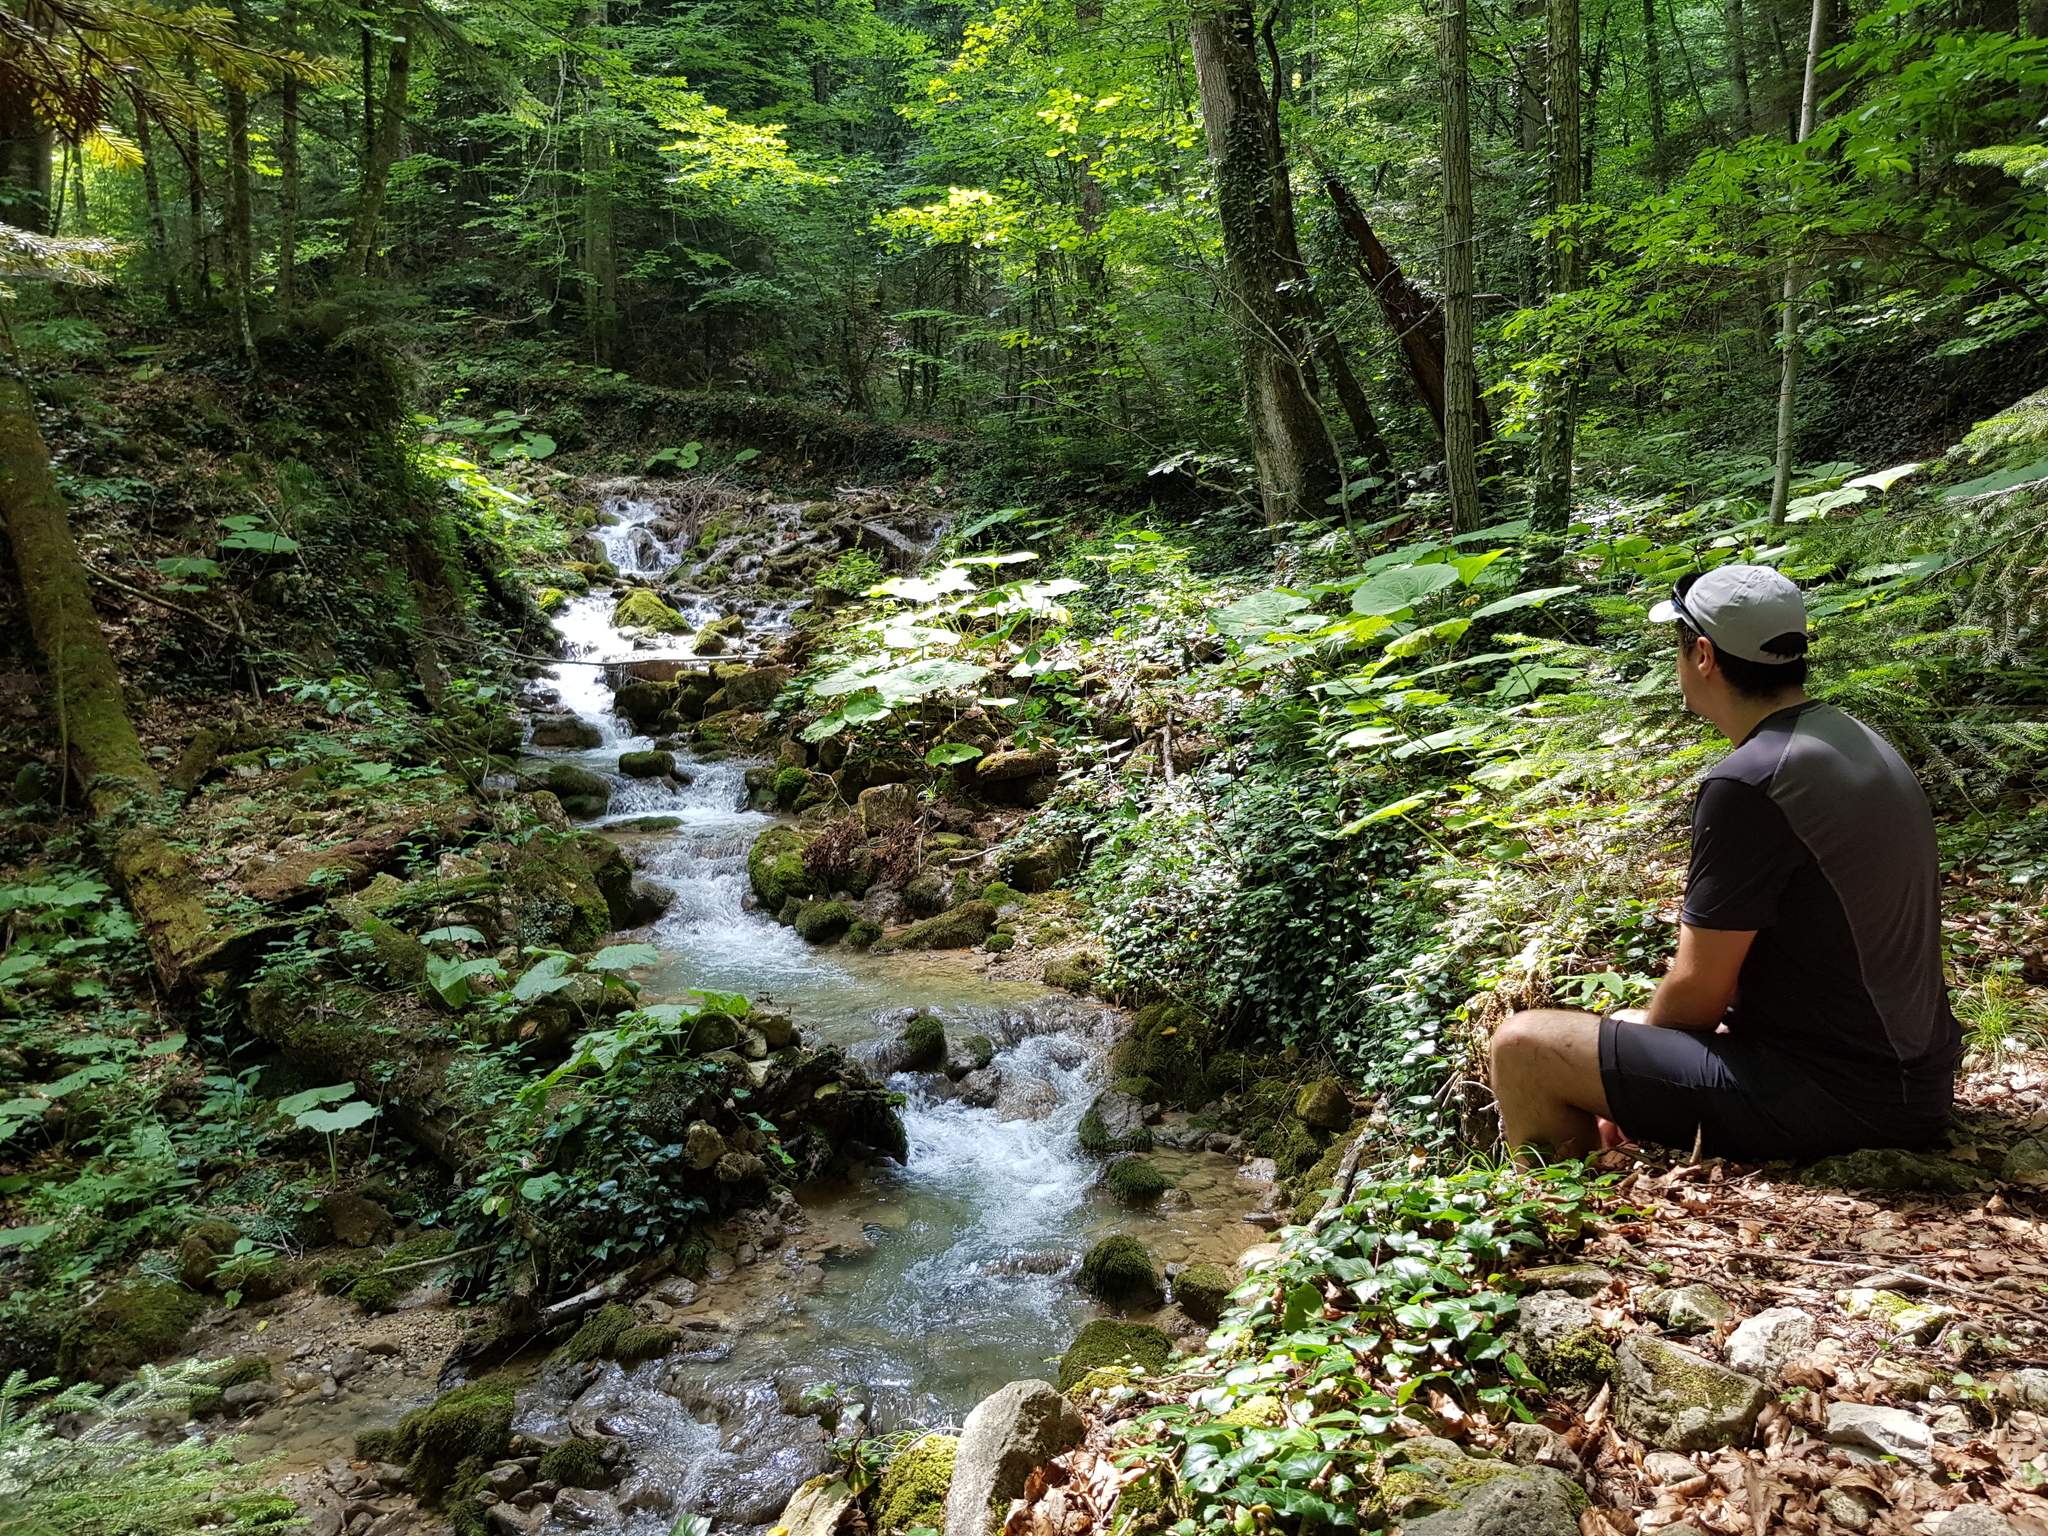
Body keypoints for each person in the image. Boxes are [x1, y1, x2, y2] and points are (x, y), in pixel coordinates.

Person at [1488, 563, 1958, 1163]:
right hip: (1905, 1074)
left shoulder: (1753, 782)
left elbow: (1698, 994)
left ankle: (1561, 1217)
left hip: (1845, 1094)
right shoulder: (1848, 737)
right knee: (1625, 1025)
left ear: (1704, 654)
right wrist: (1633, 1071)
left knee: (1524, 1047)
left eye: (1677, 646)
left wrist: (1628, 1091)